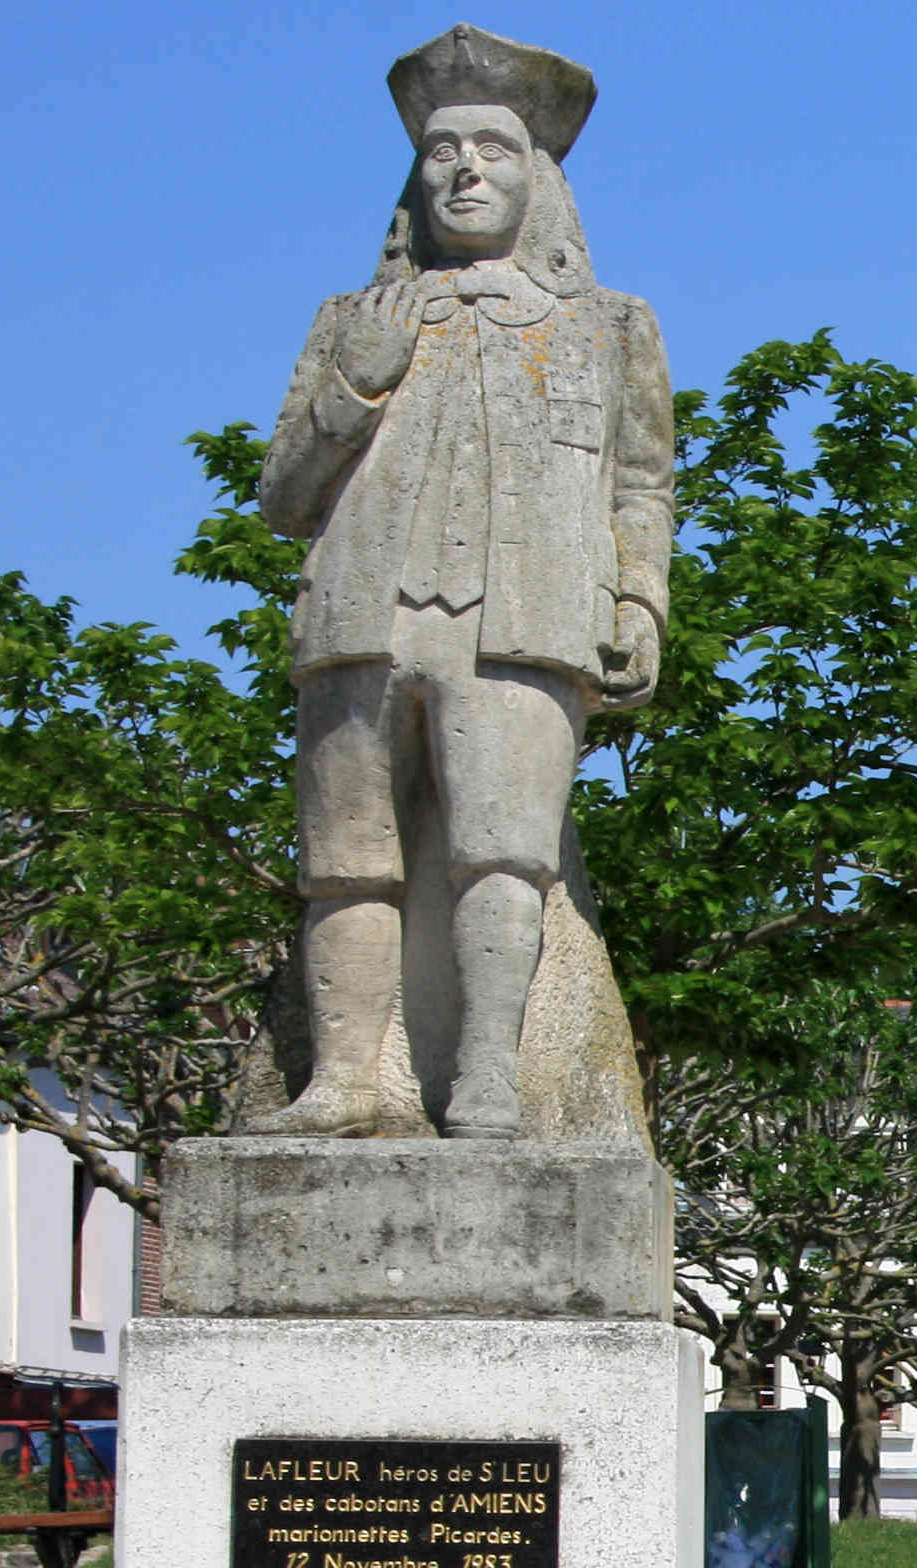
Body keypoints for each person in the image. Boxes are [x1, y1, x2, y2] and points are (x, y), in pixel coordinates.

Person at [250, 24, 671, 1140]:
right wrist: (355, 388)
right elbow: (284, 496)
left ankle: (489, 1070)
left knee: (505, 850)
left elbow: (642, 484)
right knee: (346, 859)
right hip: (360, 616)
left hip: (527, 619)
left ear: (541, 179)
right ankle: (347, 1081)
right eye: (443, 150)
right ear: (415, 177)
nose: (466, 170)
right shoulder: (353, 321)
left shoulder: (608, 327)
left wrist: (638, 603)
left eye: (494, 147)